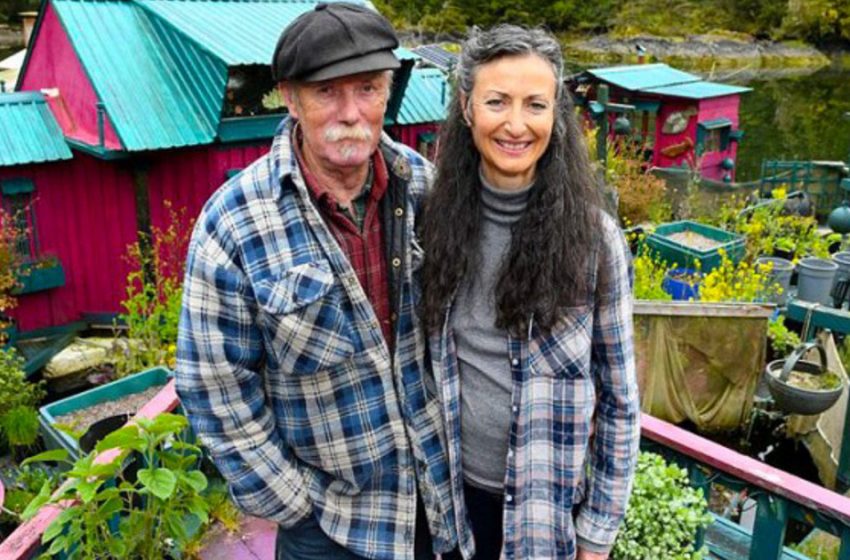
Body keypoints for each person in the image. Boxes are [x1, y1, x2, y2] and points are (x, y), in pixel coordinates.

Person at [175, 4, 457, 559]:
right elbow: (213, 389)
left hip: (440, 506)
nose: (351, 113)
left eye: (369, 89)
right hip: (331, 528)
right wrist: (294, 502)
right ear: (290, 97)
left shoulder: (425, 188)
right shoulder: (234, 223)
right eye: (327, 91)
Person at [420, 25, 640, 560]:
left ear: (555, 117)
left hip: (545, 517)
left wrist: (596, 537)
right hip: (443, 505)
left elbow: (620, 401)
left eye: (535, 105)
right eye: (497, 102)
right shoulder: (429, 220)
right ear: (468, 109)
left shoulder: (594, 241)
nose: (516, 124)